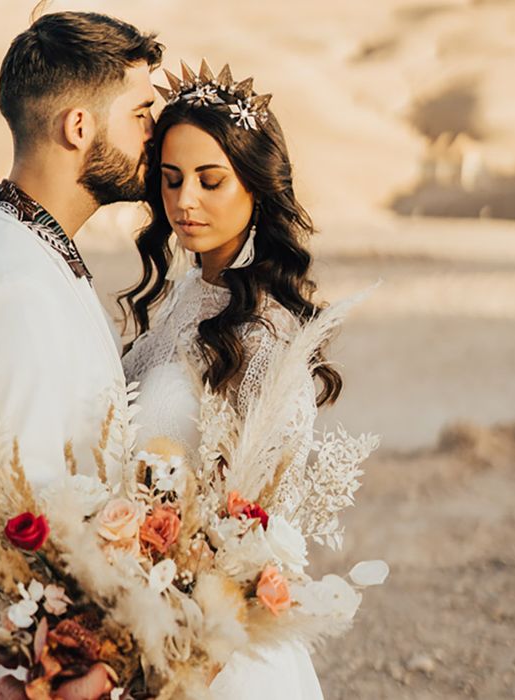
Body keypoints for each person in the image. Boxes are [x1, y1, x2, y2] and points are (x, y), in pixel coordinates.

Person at [0, 12, 162, 699]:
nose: (154, 133)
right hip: (31, 670)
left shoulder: (30, 245)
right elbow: (21, 514)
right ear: (79, 127)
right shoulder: (13, 281)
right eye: (141, 113)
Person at [121, 60, 338, 698]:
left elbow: (253, 524)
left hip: (212, 645)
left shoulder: (265, 334)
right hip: (149, 609)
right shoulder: (190, 289)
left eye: (211, 181)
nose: (185, 201)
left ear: (256, 186)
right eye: (171, 179)